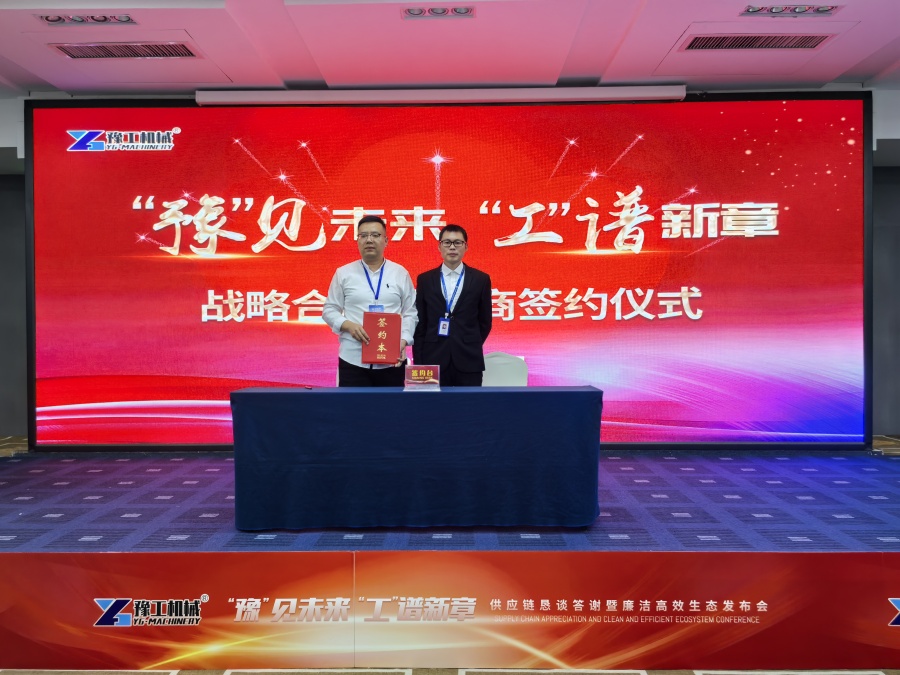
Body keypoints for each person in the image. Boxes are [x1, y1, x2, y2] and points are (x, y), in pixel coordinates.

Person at [323, 215, 417, 387]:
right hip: (353, 359)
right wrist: (347, 325)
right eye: (363, 235)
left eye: (375, 235)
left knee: (390, 404)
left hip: (392, 359)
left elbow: (411, 312)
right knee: (353, 404)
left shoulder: (400, 273)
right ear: (357, 240)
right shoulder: (343, 273)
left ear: (386, 240)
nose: (369, 240)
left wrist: (403, 340)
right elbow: (329, 309)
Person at [413, 224, 492, 386]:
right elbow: (421, 324)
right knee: (430, 403)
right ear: (439, 247)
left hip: (469, 359)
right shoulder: (425, 279)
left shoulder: (481, 279)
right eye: (447, 242)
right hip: (432, 358)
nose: (452, 247)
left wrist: (469, 341)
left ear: (466, 247)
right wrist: (419, 361)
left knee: (468, 402)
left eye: (457, 243)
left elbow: (485, 322)